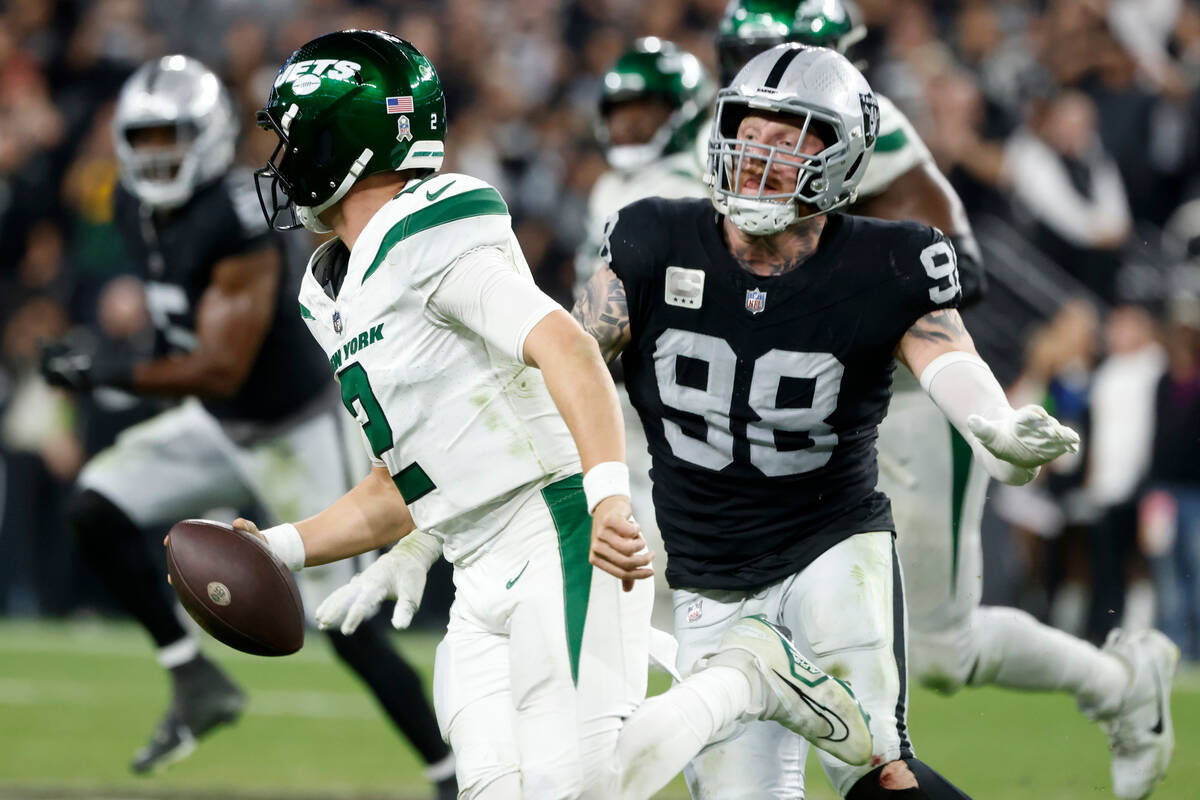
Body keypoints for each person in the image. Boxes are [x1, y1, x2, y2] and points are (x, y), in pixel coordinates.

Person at [243, 29, 871, 800]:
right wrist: (279, 548)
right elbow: (398, 478)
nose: (280, 159)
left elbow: (568, 348)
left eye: (294, 137)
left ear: (343, 142)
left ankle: (751, 673)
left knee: (576, 791)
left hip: (558, 530)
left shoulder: (428, 229)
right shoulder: (328, 287)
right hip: (476, 567)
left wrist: (608, 495)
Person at [572, 43, 1093, 800]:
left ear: (844, 158)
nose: (759, 153)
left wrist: (995, 427)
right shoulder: (652, 237)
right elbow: (568, 363)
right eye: (749, 131)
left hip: (830, 549)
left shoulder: (887, 261)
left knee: (877, 769)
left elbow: (948, 358)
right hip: (708, 574)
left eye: (789, 140)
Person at [713, 4, 1179, 798]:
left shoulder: (869, 127)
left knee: (941, 652)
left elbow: (958, 264)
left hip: (909, 400)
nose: (772, 89)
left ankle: (1121, 684)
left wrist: (842, 267)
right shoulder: (731, 135)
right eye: (751, 57)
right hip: (812, 403)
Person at [39, 55, 456, 796]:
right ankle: (193, 679)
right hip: (217, 424)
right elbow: (188, 352)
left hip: (290, 427)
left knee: (345, 620)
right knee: (93, 507)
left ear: (206, 134)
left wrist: (105, 370)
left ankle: (449, 771)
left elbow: (221, 366)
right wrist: (117, 360)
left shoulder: (236, 214)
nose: (157, 152)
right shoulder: (135, 209)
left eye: (172, 134)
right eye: (144, 137)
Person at [577, 37, 714, 619]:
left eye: (647, 110)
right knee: (636, 552)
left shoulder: (694, 182)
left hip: (686, 390)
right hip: (624, 386)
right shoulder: (609, 187)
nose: (630, 125)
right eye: (621, 111)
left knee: (673, 558)